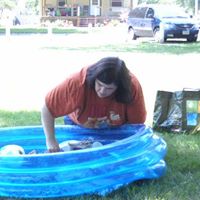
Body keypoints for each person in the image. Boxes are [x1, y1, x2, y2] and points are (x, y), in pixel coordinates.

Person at [41, 57, 146, 153]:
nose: (102, 91)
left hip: (117, 128)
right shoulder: (76, 83)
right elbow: (48, 108)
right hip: (78, 125)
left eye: (109, 88)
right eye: (99, 85)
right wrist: (51, 140)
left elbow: (136, 125)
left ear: (119, 88)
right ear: (94, 78)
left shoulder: (131, 88)